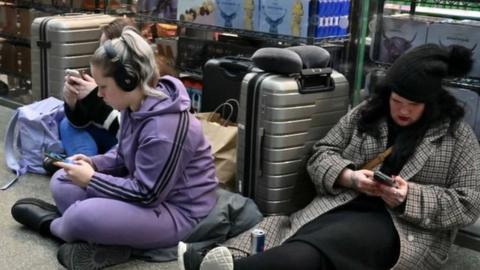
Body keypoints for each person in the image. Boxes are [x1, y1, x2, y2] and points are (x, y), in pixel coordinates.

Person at [179, 44, 480, 270]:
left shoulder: (456, 136)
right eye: (397, 101)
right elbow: (321, 153)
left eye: (413, 105)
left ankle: (223, 266)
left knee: (314, 248)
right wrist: (350, 176)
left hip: (403, 227)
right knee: (304, 237)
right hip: (344, 202)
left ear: (433, 103)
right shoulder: (367, 114)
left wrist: (408, 196)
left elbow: (470, 202)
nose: (402, 111)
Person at [11, 27, 218, 269]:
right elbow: (123, 155)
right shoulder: (135, 105)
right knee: (61, 180)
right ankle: (103, 235)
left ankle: (55, 226)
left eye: (103, 86)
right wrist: (94, 164)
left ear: (128, 80)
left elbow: (148, 194)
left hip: (177, 212)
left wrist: (92, 180)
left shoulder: (165, 128)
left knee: (83, 215)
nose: (98, 94)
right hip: (148, 199)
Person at [58, 17, 135, 159]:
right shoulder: (104, 70)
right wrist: (73, 103)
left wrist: (94, 97)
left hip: (125, 142)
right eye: (99, 48)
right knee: (67, 123)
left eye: (105, 50)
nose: (99, 54)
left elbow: (129, 131)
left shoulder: (133, 80)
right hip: (106, 136)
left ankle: (86, 167)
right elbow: (83, 122)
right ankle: (84, 164)